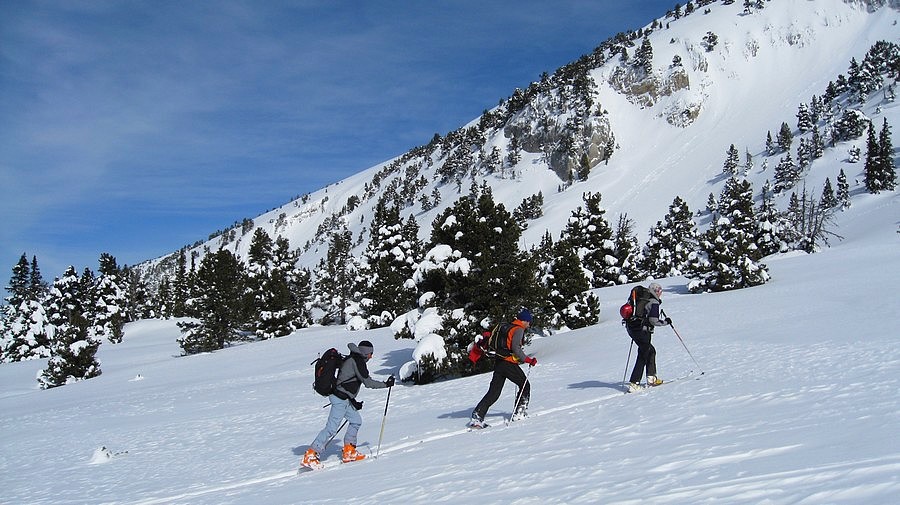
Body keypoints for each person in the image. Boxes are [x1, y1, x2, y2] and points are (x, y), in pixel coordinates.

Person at [302, 340, 394, 469]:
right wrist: (385, 384)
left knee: (356, 420)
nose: (371, 356)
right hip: (339, 399)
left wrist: (353, 401)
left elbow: (347, 381)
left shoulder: (353, 359)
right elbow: (367, 382)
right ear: (365, 353)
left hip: (344, 399)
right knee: (331, 428)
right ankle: (311, 454)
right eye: (370, 353)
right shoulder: (357, 361)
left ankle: (349, 451)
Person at [469, 309, 537, 428]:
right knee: (525, 385)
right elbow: (516, 348)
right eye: (529, 322)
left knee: (494, 393)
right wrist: (528, 360)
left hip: (499, 361)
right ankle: (519, 413)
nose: (529, 324)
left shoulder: (506, 326)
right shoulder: (518, 329)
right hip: (508, 363)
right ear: (525, 320)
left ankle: (477, 416)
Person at [625, 282, 672, 392]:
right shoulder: (653, 302)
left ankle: (651, 378)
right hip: (643, 330)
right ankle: (634, 383)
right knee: (643, 353)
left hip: (632, 328)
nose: (660, 294)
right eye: (659, 291)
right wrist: (666, 322)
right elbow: (653, 320)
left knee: (650, 351)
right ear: (656, 291)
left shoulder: (642, 298)